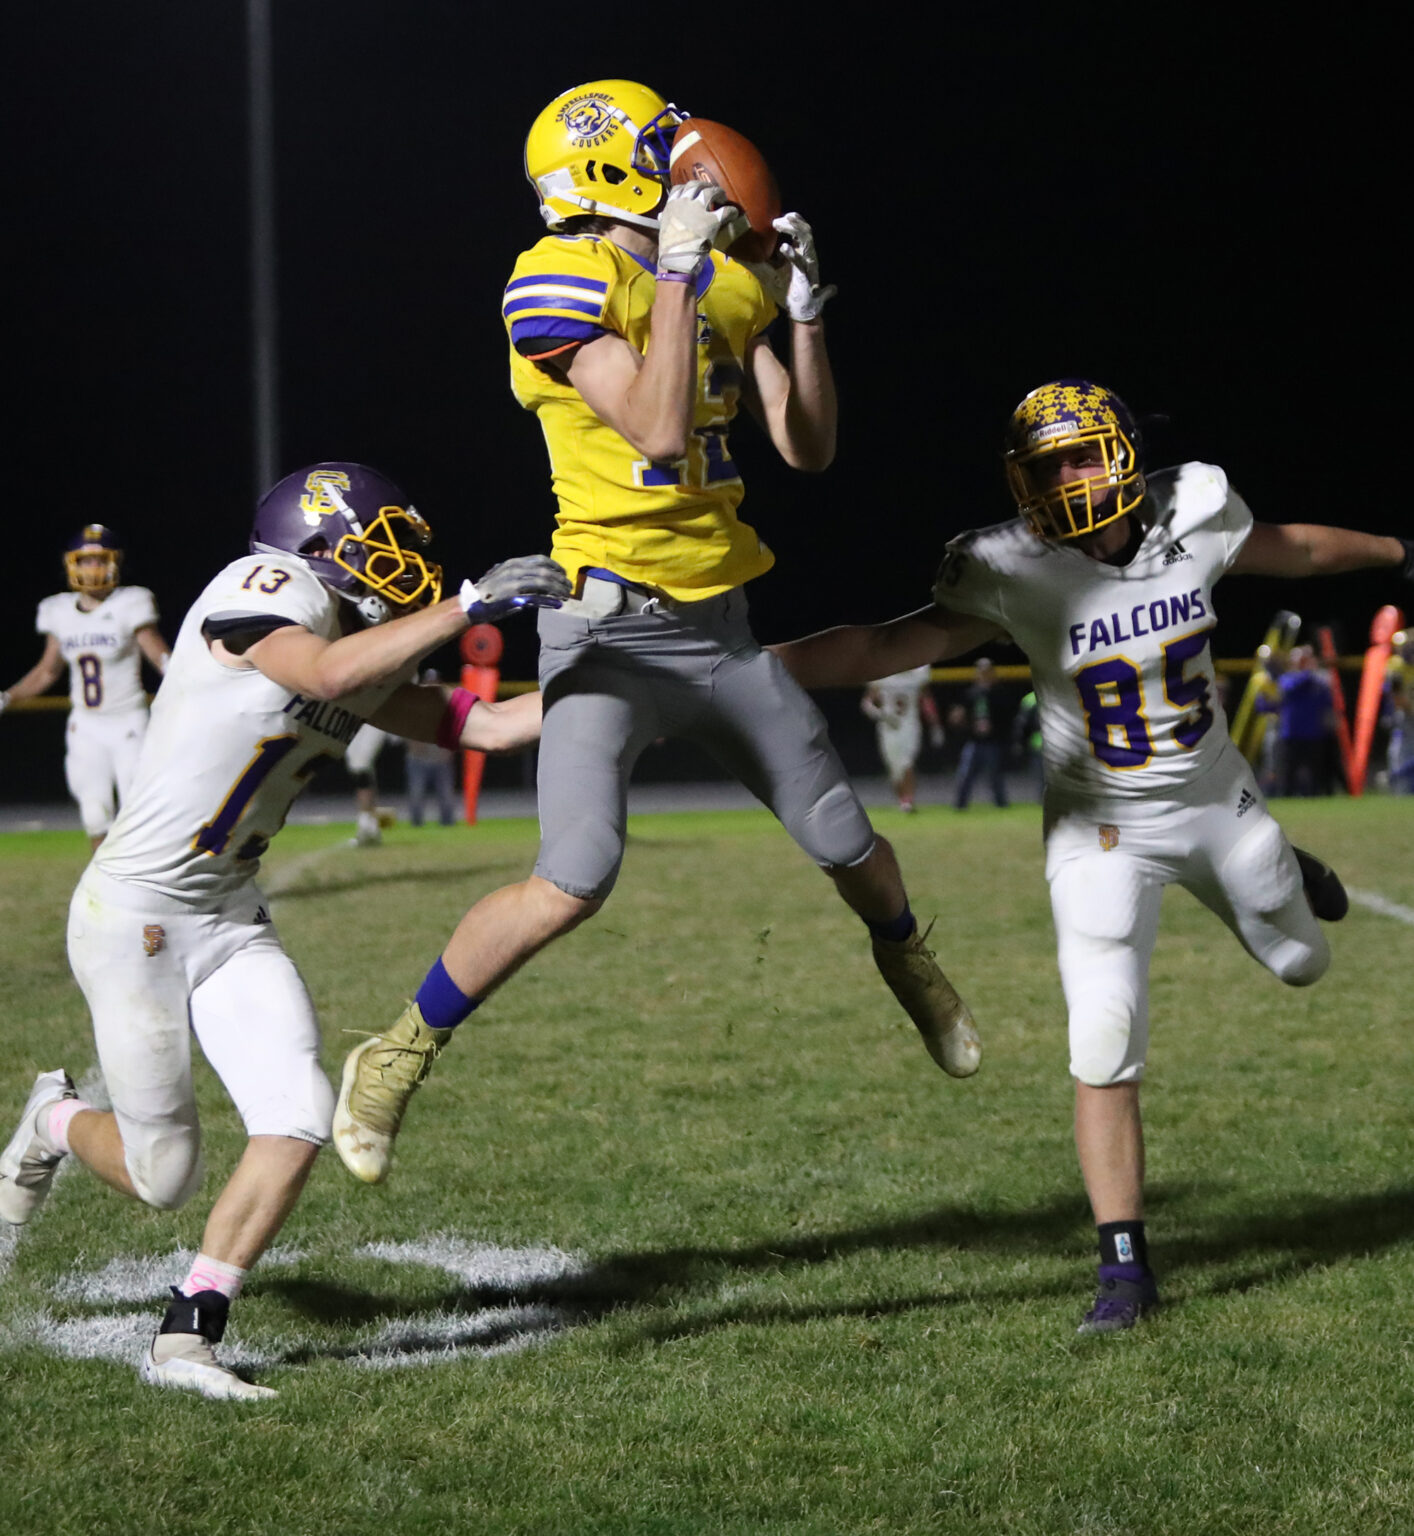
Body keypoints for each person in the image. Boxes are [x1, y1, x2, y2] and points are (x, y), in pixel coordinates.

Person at [330, 79, 981, 1187]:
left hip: (722, 634)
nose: (684, 159)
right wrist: (681, 271)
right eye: (659, 145)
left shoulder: (715, 276)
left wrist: (802, 313)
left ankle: (907, 956)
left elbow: (807, 446)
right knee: (573, 876)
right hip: (609, 636)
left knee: (848, 847)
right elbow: (657, 421)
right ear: (607, 169)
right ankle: (395, 1052)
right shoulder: (554, 275)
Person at [772, 379, 1414, 1333]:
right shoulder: (1010, 567)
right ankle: (1123, 1268)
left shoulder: (1191, 510)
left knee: (1301, 961)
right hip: (1098, 831)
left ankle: (1296, 868)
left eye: (1078, 456)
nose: (1065, 480)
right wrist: (741, 679)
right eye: (1044, 467)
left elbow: (1299, 549)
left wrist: (1403, 553)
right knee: (1102, 1034)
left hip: (1218, 807)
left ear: (1119, 451)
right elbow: (880, 645)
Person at [0, 462, 568, 1400]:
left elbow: (492, 728)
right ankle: (52, 1120)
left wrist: (626, 693)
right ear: (316, 541)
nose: (398, 564)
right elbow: (325, 673)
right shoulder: (263, 590)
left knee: (299, 1113)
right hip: (135, 914)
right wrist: (470, 604)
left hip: (227, 914)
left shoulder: (355, 637)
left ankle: (188, 1332)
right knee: (163, 1175)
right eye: (379, 540)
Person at [1, 525, 171, 848]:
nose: (92, 568)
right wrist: (7, 697)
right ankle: (104, 887)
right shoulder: (58, 610)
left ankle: (144, 884)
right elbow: (46, 672)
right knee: (95, 815)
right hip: (86, 726)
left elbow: (160, 656)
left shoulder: (131, 602)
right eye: (86, 560)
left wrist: (187, 682)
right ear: (72, 564)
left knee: (138, 811)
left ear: (114, 563)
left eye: (99, 560)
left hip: (128, 722)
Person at [861, 664, 943, 812]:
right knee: (894, 769)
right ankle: (902, 800)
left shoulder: (919, 673)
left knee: (907, 762)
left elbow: (926, 700)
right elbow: (867, 703)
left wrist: (935, 725)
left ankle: (908, 801)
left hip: (910, 725)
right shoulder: (883, 675)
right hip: (888, 727)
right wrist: (882, 715)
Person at [1255, 644, 1335, 796]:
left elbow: (1328, 701)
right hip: (1291, 735)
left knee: (1315, 777)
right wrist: (1310, 671)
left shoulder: (1318, 681)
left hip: (1314, 734)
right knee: (1287, 777)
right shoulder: (1288, 678)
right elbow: (1290, 688)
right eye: (1301, 659)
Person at [949, 656, 1010, 809]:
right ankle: (960, 805)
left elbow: (1007, 716)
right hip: (974, 741)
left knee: (995, 775)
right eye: (981, 671)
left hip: (992, 741)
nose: (984, 674)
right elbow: (959, 714)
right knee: (965, 775)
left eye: (987, 671)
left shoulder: (999, 693)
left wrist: (994, 727)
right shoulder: (970, 693)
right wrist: (963, 721)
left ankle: (1001, 804)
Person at [405, 668, 459, 826]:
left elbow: (455, 730)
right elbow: (406, 727)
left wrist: (450, 751)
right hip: (418, 758)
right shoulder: (415, 703)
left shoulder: (446, 704)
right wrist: (413, 746)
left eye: (434, 681)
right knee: (416, 793)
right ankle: (416, 823)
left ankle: (447, 822)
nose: (432, 684)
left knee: (446, 794)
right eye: (429, 682)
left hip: (440, 757)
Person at [346, 722, 394, 845]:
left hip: (374, 719)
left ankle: (365, 824)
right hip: (352, 719)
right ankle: (372, 827)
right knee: (360, 770)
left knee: (361, 765)